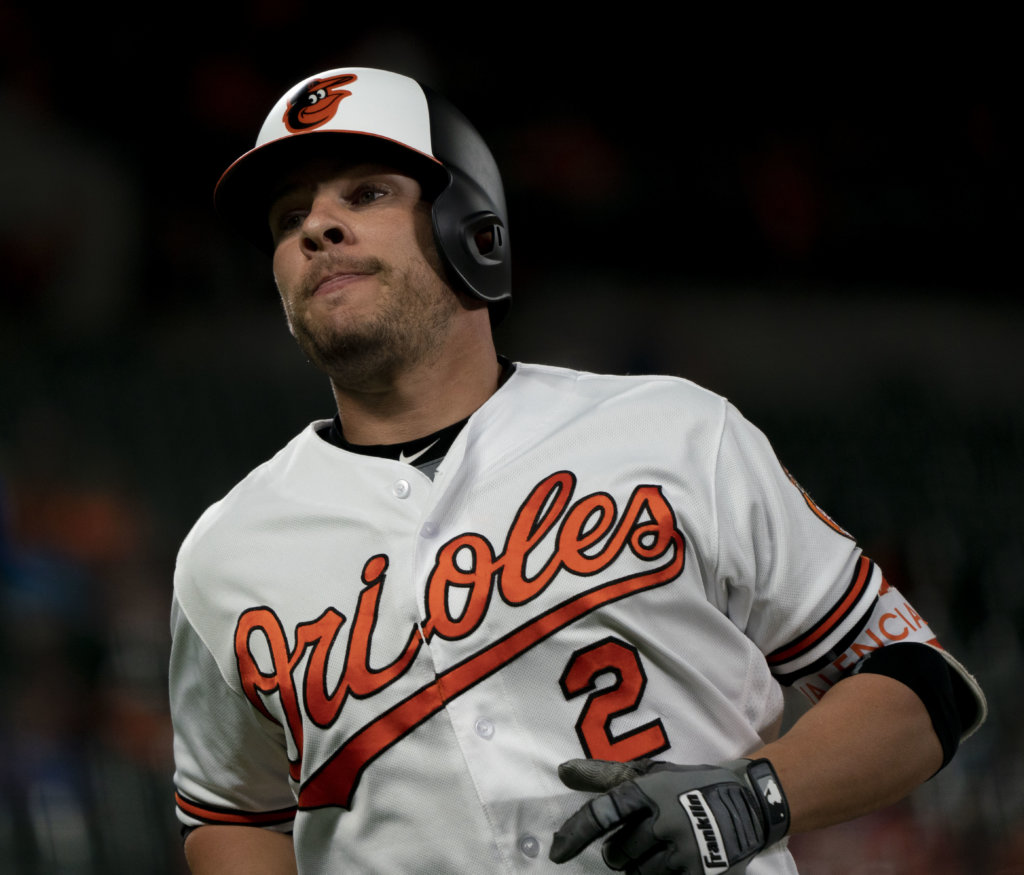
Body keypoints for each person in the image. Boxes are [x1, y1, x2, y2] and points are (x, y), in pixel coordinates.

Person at [169, 67, 987, 874]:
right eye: (288, 217)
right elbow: (234, 813)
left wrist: (755, 794)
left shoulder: (671, 432)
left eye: (367, 194)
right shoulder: (228, 551)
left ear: (471, 224)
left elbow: (919, 687)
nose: (317, 227)